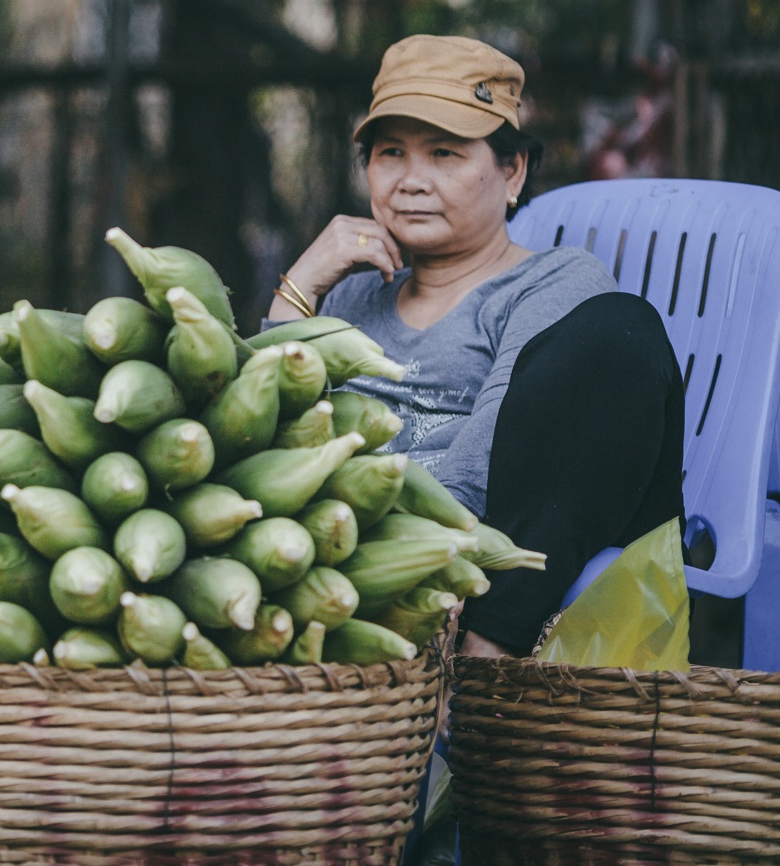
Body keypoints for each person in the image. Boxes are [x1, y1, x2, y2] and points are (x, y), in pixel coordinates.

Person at [269, 35, 684, 658]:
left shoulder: (553, 283)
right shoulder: (348, 295)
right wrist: (296, 289)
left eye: (444, 153)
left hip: (465, 576)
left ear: (512, 171)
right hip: (327, 571)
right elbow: (257, 441)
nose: (412, 181)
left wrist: (406, 569)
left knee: (623, 332)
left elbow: (480, 468)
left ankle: (477, 671)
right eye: (390, 153)